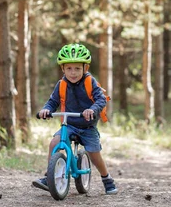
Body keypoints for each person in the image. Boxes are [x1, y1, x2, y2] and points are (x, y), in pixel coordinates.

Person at [32, 43, 118, 195]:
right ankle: (49, 176)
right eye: (69, 68)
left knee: (93, 153)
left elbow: (101, 99)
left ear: (85, 68)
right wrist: (46, 110)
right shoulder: (61, 84)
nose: (73, 73)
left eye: (77, 68)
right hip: (69, 124)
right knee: (54, 143)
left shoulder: (89, 82)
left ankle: (107, 178)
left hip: (87, 126)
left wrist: (92, 110)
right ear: (63, 69)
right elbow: (53, 102)